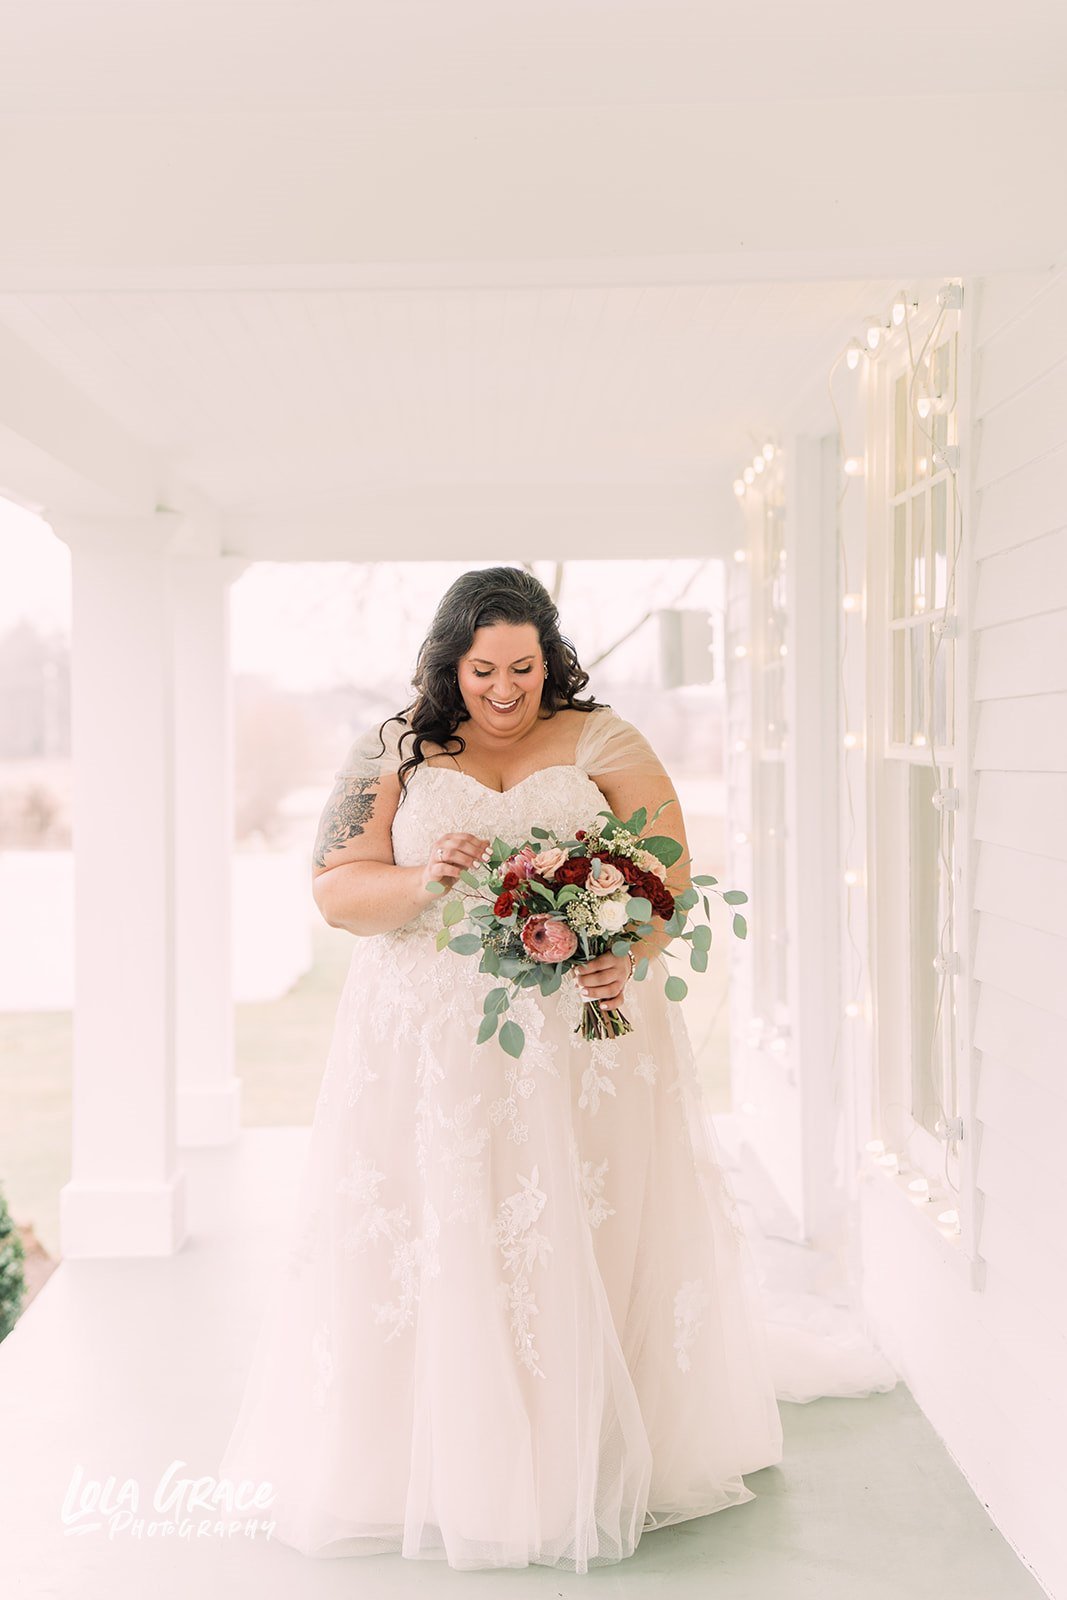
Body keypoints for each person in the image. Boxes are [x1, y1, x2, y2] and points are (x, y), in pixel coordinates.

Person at [217, 565, 785, 1573]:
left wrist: (629, 946)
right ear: (449, 663)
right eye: (483, 670)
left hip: (579, 1040)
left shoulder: (604, 738)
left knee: (584, 1230)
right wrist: (414, 876)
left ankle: (590, 1447)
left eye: (523, 667)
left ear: (548, 656)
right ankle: (442, 1458)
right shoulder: (392, 745)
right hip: (427, 1048)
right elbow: (335, 890)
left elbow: (666, 875)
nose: (504, 690)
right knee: (440, 1229)